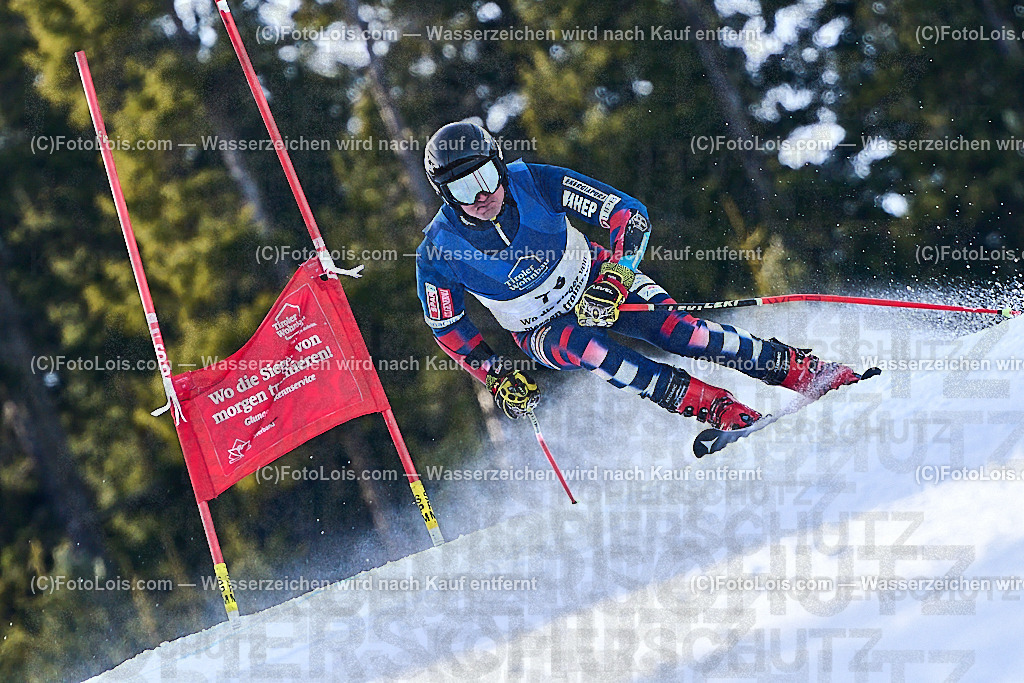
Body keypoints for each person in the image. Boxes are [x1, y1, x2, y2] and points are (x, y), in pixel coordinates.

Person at [415, 121, 866, 430]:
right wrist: (495, 375)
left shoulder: (532, 180)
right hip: (540, 327)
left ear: (498, 163)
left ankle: (803, 371)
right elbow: (448, 326)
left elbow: (628, 215)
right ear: (444, 194)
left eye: (486, 177)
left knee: (680, 333)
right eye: (462, 189)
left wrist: (614, 276)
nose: (481, 196)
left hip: (596, 275)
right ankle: (718, 409)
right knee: (590, 348)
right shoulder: (438, 251)